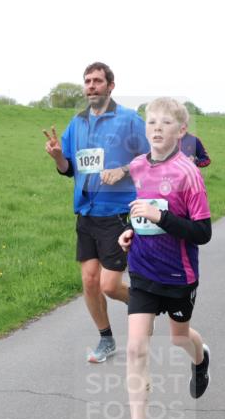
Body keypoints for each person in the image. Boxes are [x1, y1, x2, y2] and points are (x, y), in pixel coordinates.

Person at [108, 98, 212, 419]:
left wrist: (160, 217)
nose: (156, 128)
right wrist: (129, 231)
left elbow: (202, 232)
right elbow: (141, 211)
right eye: (151, 121)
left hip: (179, 275)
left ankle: (201, 360)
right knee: (136, 348)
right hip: (142, 272)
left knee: (179, 337)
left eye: (166, 122)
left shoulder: (189, 173)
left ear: (181, 131)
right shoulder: (137, 166)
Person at [43, 62, 149, 363]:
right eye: (87, 81)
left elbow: (149, 158)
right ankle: (106, 340)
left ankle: (146, 304)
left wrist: (123, 169)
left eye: (97, 81)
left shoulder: (129, 120)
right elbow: (67, 169)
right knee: (89, 281)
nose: (91, 86)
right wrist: (57, 156)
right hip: (86, 211)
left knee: (110, 285)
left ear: (110, 86)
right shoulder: (76, 123)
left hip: (116, 211)